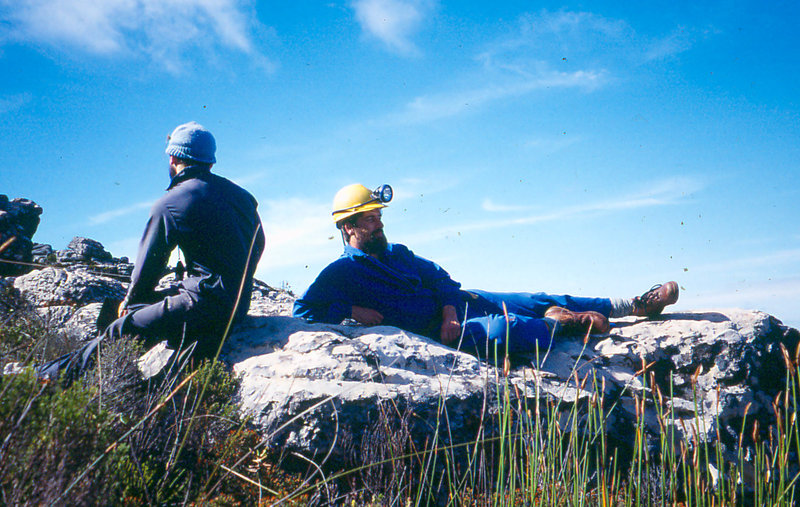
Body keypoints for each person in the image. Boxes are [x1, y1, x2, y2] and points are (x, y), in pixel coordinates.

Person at [292, 183, 678, 357]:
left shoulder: (399, 253)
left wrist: (448, 310)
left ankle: (634, 305)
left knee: (533, 299)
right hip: (435, 332)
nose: (378, 224)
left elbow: (443, 281)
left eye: (378, 216)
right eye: (369, 219)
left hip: (456, 309)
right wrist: (352, 311)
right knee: (504, 331)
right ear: (348, 228)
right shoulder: (340, 273)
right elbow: (302, 311)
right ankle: (567, 324)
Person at [38, 122, 266, 381]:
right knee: (149, 311)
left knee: (121, 328)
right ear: (210, 162)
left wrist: (132, 303)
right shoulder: (243, 196)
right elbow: (259, 244)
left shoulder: (170, 203)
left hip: (202, 305)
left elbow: (148, 268)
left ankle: (49, 379)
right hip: (238, 305)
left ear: (173, 158)